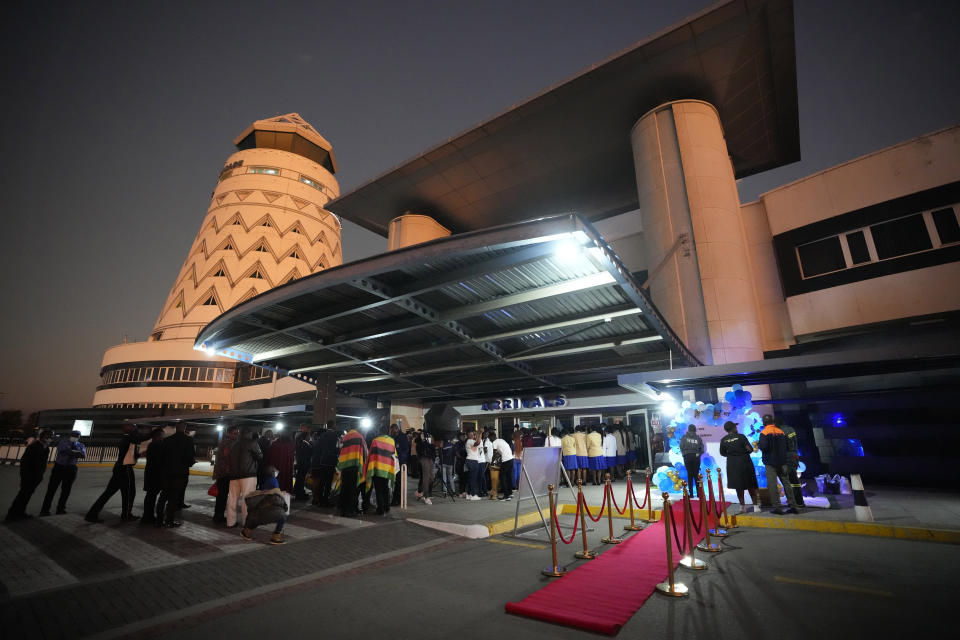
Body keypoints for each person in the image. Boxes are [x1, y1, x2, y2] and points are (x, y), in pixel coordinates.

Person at [86, 423, 147, 523]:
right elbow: (139, 439)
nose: (136, 429)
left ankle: (92, 514)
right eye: (133, 427)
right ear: (128, 429)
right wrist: (153, 433)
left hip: (120, 468)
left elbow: (128, 454)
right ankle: (126, 515)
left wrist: (139, 455)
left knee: (109, 493)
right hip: (125, 469)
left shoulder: (127, 440)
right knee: (129, 493)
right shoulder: (128, 438)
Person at [758, 415, 803, 514]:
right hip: (783, 462)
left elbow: (764, 447)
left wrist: (759, 445)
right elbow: (786, 446)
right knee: (786, 483)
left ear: (764, 422)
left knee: (773, 484)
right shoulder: (780, 431)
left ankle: (777, 507)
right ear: (772, 421)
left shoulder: (764, 432)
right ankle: (793, 505)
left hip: (770, 463)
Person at [5, 429, 53, 522]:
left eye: (51, 437)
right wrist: (25, 476)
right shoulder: (34, 447)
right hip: (28, 476)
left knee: (27, 495)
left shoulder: (46, 448)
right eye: (48, 436)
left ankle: (20, 512)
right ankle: (12, 514)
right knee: (23, 494)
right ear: (42, 436)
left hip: (37, 477)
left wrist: (40, 475)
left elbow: (43, 464)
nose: (49, 438)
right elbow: (24, 462)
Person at [155, 423, 196, 527]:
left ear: (176, 428)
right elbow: (190, 457)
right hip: (180, 473)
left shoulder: (167, 440)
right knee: (173, 497)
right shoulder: (188, 440)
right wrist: (190, 463)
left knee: (163, 496)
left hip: (167, 472)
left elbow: (161, 457)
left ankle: (159, 520)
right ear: (185, 428)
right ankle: (169, 520)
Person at [40, 430, 86, 516]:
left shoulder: (81, 445)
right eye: (74, 435)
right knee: (51, 489)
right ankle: (45, 510)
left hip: (71, 469)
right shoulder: (63, 442)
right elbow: (64, 451)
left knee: (66, 490)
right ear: (70, 435)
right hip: (59, 467)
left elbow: (83, 455)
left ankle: (61, 509)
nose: (75, 437)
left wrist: (72, 451)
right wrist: (75, 453)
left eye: (77, 436)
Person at [241, 465, 288, 545]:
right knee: (282, 515)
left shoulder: (265, 482)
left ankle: (246, 532)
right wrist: (284, 505)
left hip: (254, 514)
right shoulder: (274, 481)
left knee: (257, 517)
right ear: (273, 472)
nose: (277, 471)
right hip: (265, 512)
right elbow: (276, 497)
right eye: (275, 470)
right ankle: (275, 537)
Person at [226, 428, 262, 528]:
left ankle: (230, 522)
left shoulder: (233, 444)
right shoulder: (252, 443)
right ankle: (247, 522)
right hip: (248, 475)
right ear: (249, 434)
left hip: (234, 476)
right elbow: (260, 456)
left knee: (232, 499)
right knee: (248, 499)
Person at [719, 421, 758, 511]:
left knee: (738, 485)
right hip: (745, 462)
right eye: (735, 427)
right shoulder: (741, 437)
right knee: (750, 484)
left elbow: (722, 453)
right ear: (733, 428)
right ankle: (756, 506)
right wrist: (743, 453)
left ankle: (742, 507)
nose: (736, 428)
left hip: (732, 465)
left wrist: (732, 456)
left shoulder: (724, 440)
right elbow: (750, 449)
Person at [365, 427, 397, 514]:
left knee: (378, 489)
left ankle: (380, 509)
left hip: (377, 468)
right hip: (387, 468)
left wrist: (368, 467)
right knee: (385, 488)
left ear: (379, 432)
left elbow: (371, 454)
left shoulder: (375, 441)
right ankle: (387, 507)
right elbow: (394, 455)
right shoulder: (392, 441)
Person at [776, 417, 806, 507]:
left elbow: (782, 446)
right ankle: (800, 501)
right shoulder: (791, 429)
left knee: (787, 481)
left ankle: (793, 502)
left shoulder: (780, 431)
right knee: (794, 480)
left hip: (786, 457)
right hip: (794, 455)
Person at [337, 426, 366, 516]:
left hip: (345, 466)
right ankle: (351, 510)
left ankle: (343, 510)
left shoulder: (345, 437)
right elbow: (364, 451)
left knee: (344, 488)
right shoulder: (359, 436)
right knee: (353, 489)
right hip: (355, 465)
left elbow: (340, 449)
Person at [212, 425, 238, 523]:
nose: (236, 435)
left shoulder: (223, 441)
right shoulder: (228, 443)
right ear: (229, 433)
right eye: (235, 433)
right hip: (225, 473)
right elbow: (227, 457)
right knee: (222, 496)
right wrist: (228, 469)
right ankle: (219, 516)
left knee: (221, 495)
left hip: (221, 472)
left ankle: (218, 515)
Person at [140, 428, 165, 525]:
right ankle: (148, 517)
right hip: (154, 475)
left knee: (150, 496)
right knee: (151, 496)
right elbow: (159, 461)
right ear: (158, 436)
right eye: (162, 435)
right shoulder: (157, 445)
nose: (164, 437)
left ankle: (147, 516)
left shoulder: (152, 445)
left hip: (151, 474)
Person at [313, 422, 340, 506]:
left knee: (322, 481)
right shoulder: (336, 436)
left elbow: (318, 448)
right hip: (331, 462)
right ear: (333, 426)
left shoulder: (322, 436)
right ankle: (326, 500)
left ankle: (320, 499)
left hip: (322, 461)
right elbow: (338, 449)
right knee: (328, 482)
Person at [679, 424, 704, 497]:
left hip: (687, 457)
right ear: (695, 430)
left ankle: (691, 494)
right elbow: (702, 449)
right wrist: (698, 454)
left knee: (690, 475)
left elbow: (681, 447)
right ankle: (699, 494)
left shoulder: (684, 437)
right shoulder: (698, 438)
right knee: (696, 475)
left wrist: (684, 454)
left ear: (688, 429)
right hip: (696, 457)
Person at [490, 434, 514, 501]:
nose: (490, 440)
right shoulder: (501, 440)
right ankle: (510, 493)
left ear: (492, 437)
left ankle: (506, 496)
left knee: (502, 477)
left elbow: (495, 454)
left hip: (506, 460)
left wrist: (492, 462)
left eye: (490, 438)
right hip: (511, 459)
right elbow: (499, 453)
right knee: (509, 477)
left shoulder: (494, 442)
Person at [391, 423, 410, 506]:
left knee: (399, 483)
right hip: (395, 462)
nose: (392, 431)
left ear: (396, 429)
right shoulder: (394, 437)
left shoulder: (402, 437)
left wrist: (400, 460)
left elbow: (405, 450)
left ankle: (396, 500)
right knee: (396, 483)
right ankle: (396, 499)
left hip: (400, 463)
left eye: (393, 430)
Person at [415, 432, 436, 505]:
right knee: (426, 478)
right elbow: (419, 451)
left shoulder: (428, 442)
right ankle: (426, 496)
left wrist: (431, 443)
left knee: (432, 477)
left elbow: (433, 450)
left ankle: (420, 491)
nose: (424, 436)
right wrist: (422, 440)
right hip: (424, 459)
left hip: (430, 459)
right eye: (422, 434)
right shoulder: (419, 443)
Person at [293, 424, 313, 500]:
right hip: (303, 460)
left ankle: (297, 490)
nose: (308, 430)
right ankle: (299, 493)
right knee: (301, 476)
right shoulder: (301, 437)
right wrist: (311, 447)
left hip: (302, 460)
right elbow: (305, 448)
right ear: (303, 428)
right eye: (307, 428)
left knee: (300, 476)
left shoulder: (301, 437)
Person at [464, 430, 484, 500]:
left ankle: (469, 494)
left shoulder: (470, 441)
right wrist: (480, 433)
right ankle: (472, 495)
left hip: (471, 461)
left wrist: (478, 434)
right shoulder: (470, 441)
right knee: (473, 479)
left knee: (471, 478)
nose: (473, 435)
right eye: (471, 434)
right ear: (468, 435)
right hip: (472, 461)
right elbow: (478, 443)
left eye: (473, 434)